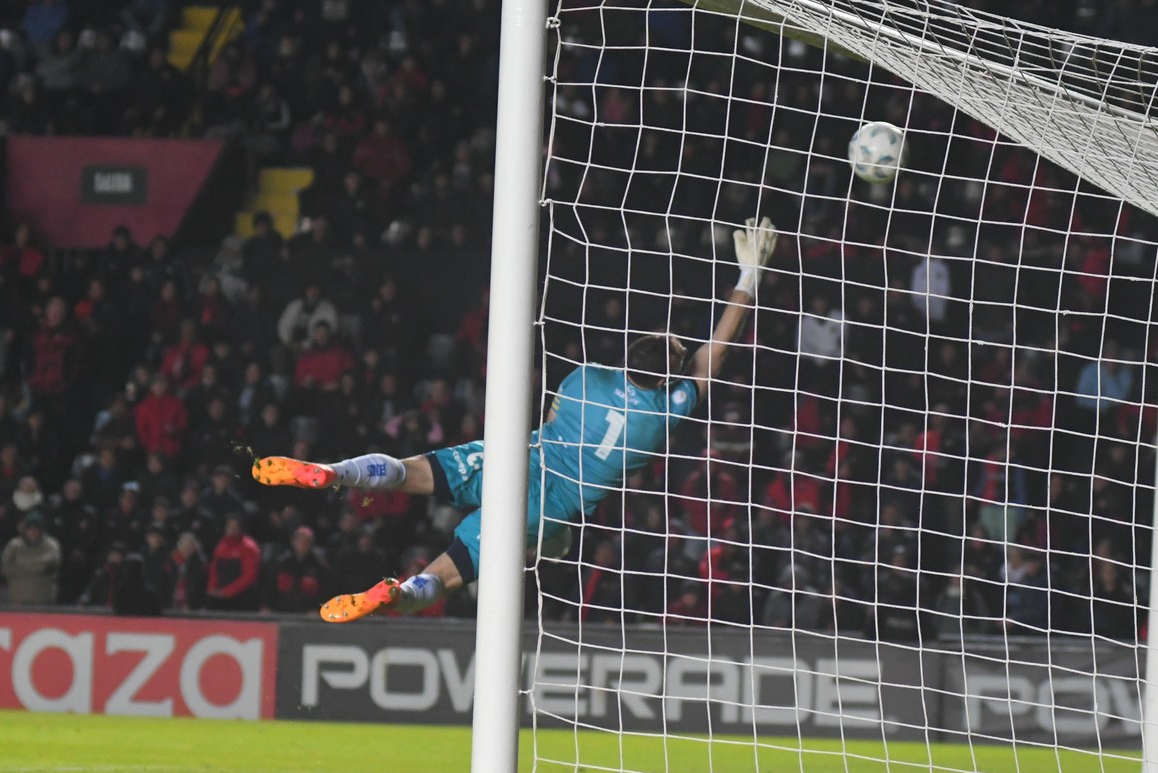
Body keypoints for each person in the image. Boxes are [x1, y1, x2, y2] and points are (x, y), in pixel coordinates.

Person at [251, 216, 779, 622]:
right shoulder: (664, 415)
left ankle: (336, 472)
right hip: (544, 504)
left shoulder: (587, 378)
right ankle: (399, 592)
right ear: (667, 379)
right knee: (448, 572)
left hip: (512, 455)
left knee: (409, 470)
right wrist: (749, 277)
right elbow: (717, 352)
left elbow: (553, 411)